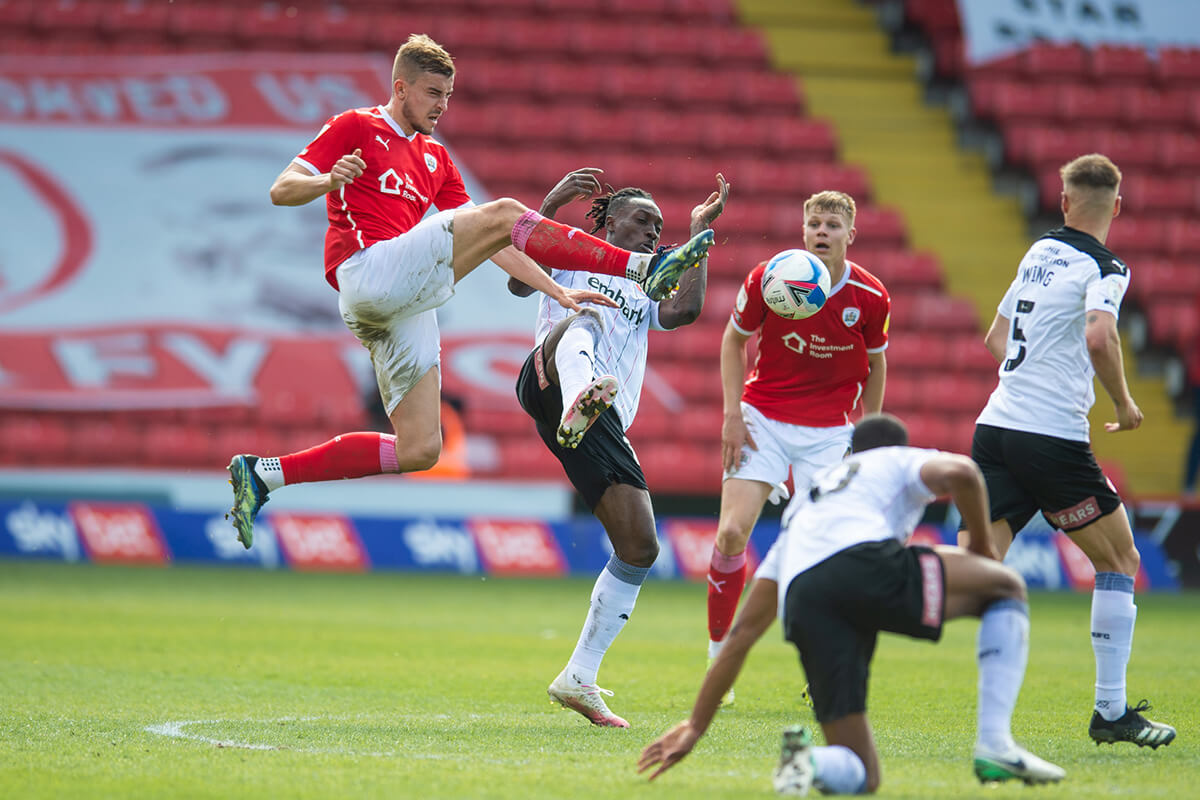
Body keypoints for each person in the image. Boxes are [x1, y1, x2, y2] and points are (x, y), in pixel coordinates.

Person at [225, 34, 714, 547]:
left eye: (449, 95)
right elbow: (282, 190)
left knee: (420, 448)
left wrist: (558, 292)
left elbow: (497, 242)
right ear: (401, 87)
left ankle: (264, 474)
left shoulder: (437, 159)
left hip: (398, 305)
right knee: (504, 209)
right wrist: (328, 181)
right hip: (366, 271)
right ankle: (642, 269)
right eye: (434, 93)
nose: (442, 106)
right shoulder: (357, 126)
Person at [638, 413, 1067, 794]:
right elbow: (965, 471)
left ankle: (809, 761)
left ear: (848, 452)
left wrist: (696, 726)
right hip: (862, 565)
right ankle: (995, 743)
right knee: (1006, 586)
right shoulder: (893, 459)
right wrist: (983, 554)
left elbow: (743, 634)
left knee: (863, 774)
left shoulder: (807, 506)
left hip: (806, 601)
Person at [509, 168, 729, 727]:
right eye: (642, 220)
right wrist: (554, 200)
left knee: (639, 547)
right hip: (549, 378)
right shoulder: (571, 254)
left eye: (659, 225)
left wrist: (699, 237)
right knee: (583, 314)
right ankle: (583, 390)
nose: (654, 231)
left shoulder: (646, 283)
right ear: (607, 220)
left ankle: (579, 676)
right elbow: (516, 282)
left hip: (600, 423)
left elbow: (684, 313)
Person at [970, 153, 1175, 748]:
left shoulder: (1038, 252)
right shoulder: (1107, 265)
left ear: (1063, 203)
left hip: (996, 426)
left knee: (975, 570)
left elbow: (995, 339)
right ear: (1117, 205)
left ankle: (862, 608)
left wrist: (1034, 375)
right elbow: (1098, 332)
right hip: (1050, 437)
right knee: (1121, 561)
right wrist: (1124, 404)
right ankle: (1110, 712)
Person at [705, 190, 890, 705]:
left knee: (829, 550)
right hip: (762, 415)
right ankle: (719, 659)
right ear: (804, 230)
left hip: (831, 432)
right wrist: (731, 415)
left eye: (832, 224)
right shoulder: (771, 277)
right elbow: (732, 340)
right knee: (730, 532)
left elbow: (876, 366)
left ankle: (825, 659)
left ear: (850, 234)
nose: (821, 232)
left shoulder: (871, 297)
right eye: (814, 224)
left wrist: (869, 437)